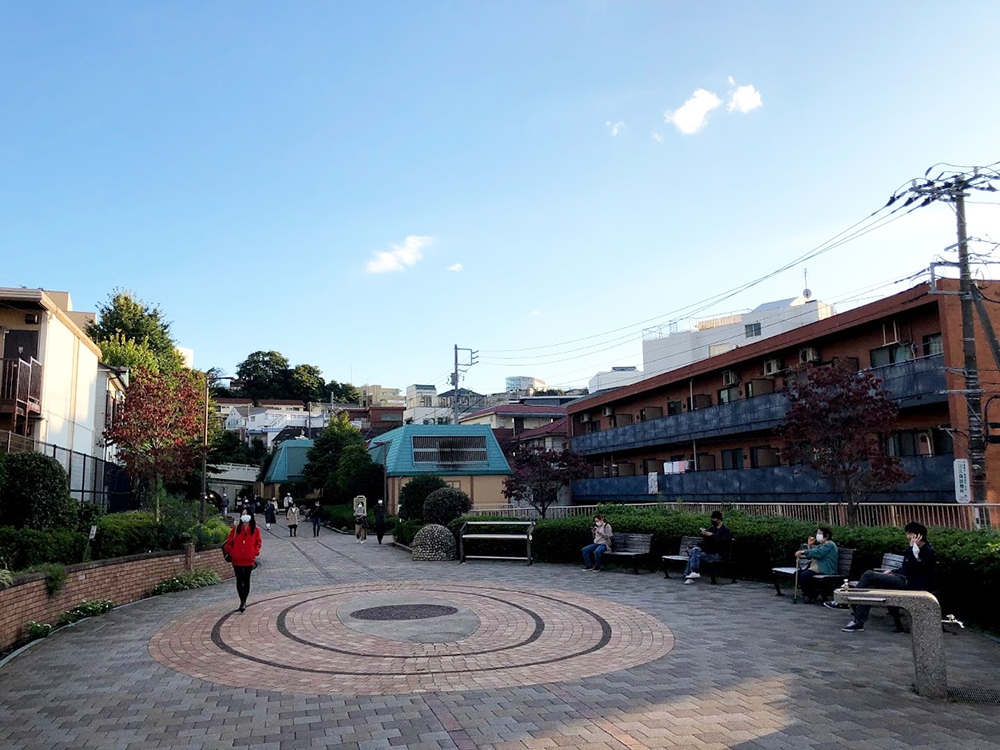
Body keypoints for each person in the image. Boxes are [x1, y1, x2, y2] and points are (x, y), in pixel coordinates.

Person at [828, 522, 937, 633]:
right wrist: (892, 571)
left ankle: (846, 599)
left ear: (918, 536)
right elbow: (906, 568)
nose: (907, 536)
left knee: (869, 575)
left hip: (910, 583)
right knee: (870, 586)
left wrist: (914, 552)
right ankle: (858, 621)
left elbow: (917, 570)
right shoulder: (913, 549)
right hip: (900, 578)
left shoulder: (927, 551)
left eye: (909, 534)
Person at [222, 505, 262, 613]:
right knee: (239, 581)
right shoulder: (236, 529)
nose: (244, 516)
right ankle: (242, 601)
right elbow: (228, 543)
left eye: (246, 514)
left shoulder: (255, 530)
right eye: (243, 514)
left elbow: (258, 543)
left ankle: (244, 600)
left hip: (249, 559)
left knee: (246, 580)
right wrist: (232, 552)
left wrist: (255, 552)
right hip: (237, 559)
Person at [684, 511, 732, 585]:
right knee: (695, 550)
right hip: (709, 551)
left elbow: (722, 544)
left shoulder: (725, 530)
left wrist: (712, 536)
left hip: (718, 554)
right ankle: (694, 572)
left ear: (719, 519)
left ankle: (690, 575)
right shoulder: (712, 528)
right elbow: (707, 543)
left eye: (714, 519)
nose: (713, 520)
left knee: (695, 556)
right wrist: (705, 534)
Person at [793, 526, 839, 603]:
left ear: (826, 536)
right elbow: (813, 553)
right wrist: (810, 546)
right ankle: (808, 593)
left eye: (820, 533)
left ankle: (811, 595)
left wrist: (803, 552)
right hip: (817, 567)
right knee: (797, 574)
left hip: (825, 568)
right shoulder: (821, 545)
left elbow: (818, 553)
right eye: (817, 533)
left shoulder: (830, 544)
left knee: (805, 576)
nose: (817, 535)